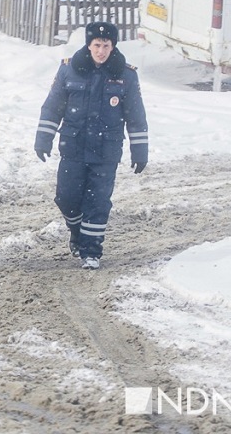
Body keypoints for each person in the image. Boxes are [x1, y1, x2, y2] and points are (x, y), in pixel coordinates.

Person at [34, 21, 148, 270]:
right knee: (66, 198)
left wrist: (140, 150)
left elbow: (136, 116)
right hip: (73, 147)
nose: (101, 51)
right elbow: (53, 107)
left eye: (106, 45)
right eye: (97, 45)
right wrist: (44, 138)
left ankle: (91, 251)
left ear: (113, 46)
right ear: (89, 45)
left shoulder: (125, 75)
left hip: (106, 151)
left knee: (97, 202)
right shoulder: (69, 70)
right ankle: (77, 233)